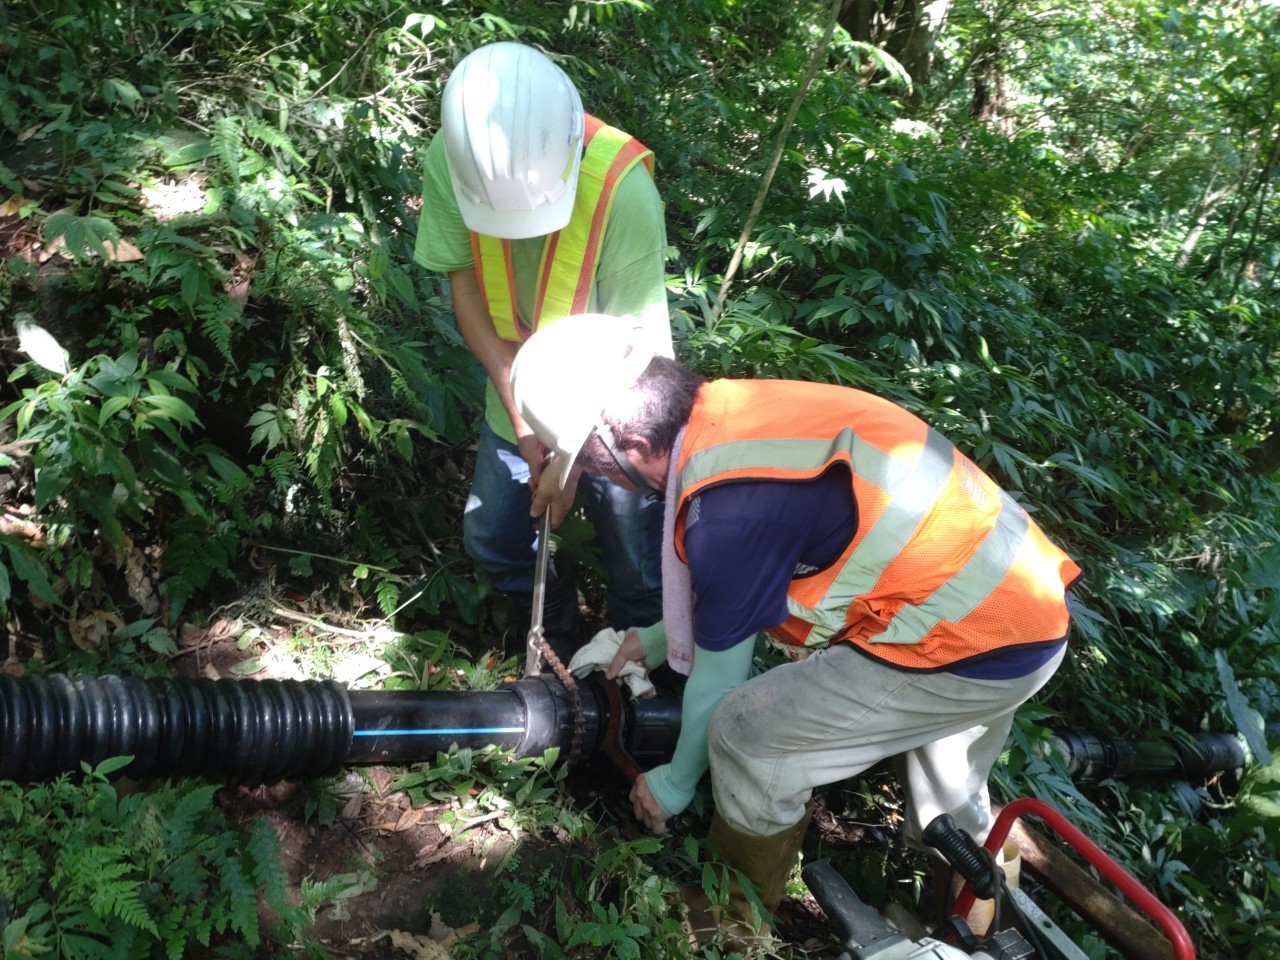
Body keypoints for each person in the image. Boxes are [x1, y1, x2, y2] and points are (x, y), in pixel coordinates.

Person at [510, 314, 1083, 942]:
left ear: (630, 444)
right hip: (1013, 605)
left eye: (599, 472)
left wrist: (673, 783)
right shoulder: (727, 415)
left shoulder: (726, 511)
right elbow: (768, 562)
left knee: (750, 734)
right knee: (946, 802)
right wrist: (652, 638)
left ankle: (734, 920)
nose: (608, 484)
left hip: (964, 642)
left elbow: (719, 682)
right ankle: (979, 920)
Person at [413, 42, 669, 658]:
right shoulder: (455, 159)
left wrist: (573, 460)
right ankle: (556, 641)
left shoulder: (622, 192)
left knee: (637, 560)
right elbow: (466, 286)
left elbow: (638, 356)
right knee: (493, 537)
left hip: (617, 412)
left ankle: (644, 671)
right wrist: (527, 421)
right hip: (518, 391)